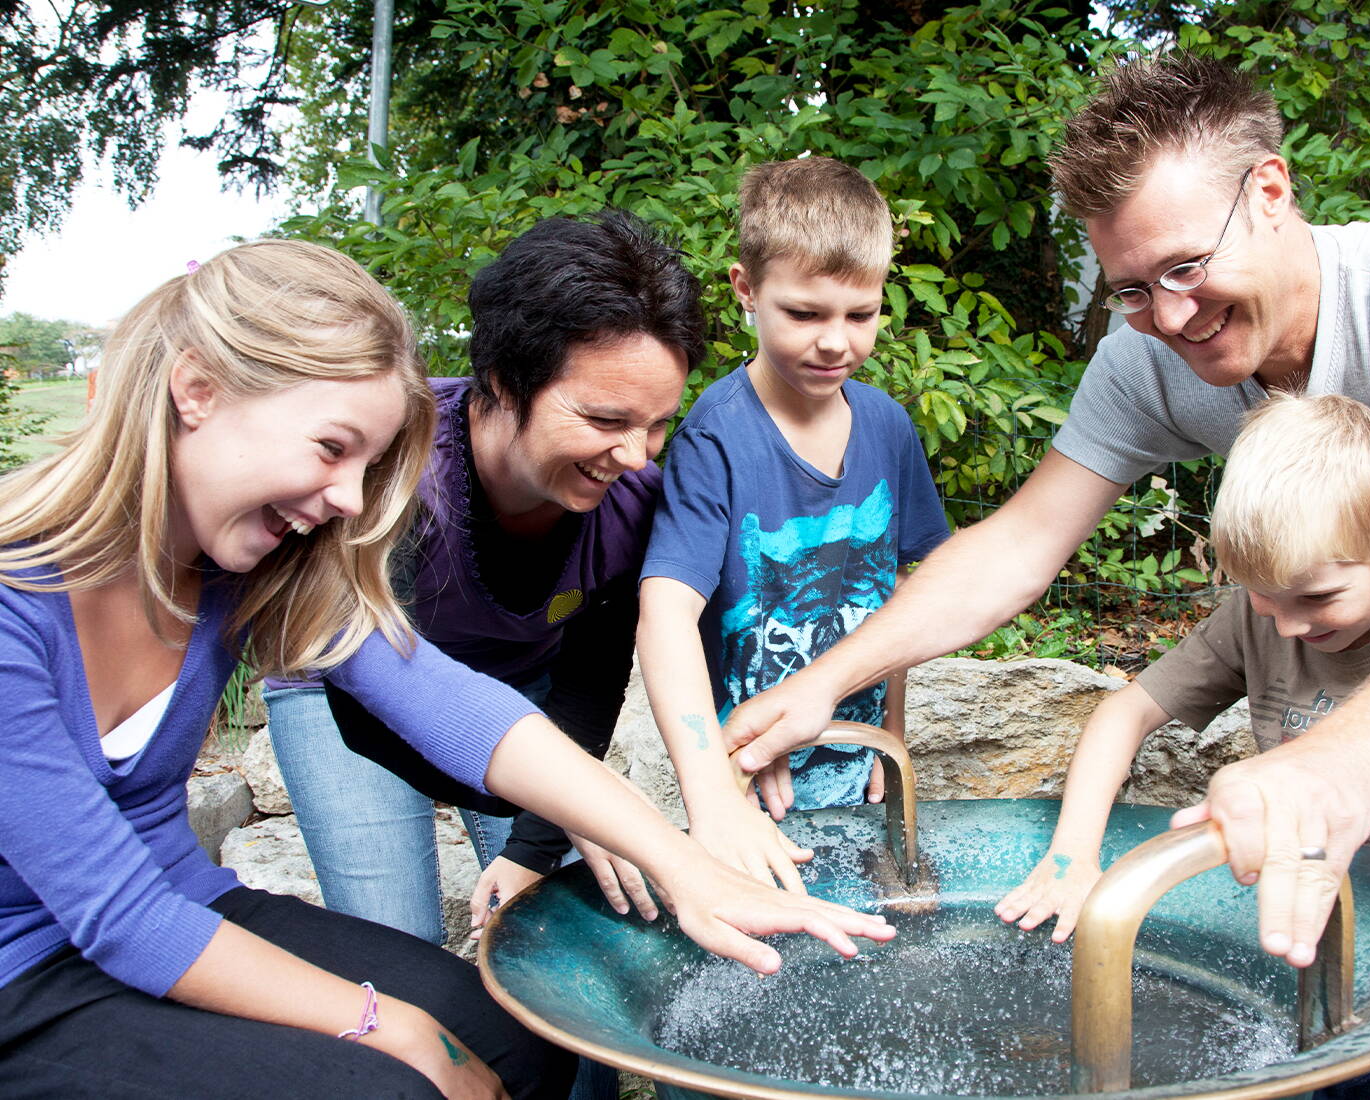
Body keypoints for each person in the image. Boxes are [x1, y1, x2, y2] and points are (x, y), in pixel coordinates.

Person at [719, 54, 1370, 1096]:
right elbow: (1020, 544)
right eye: (1129, 288)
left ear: (1269, 190)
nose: (1168, 317)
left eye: (1181, 268)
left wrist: (1332, 761)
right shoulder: (1150, 361)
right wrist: (821, 681)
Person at [0, 240, 893, 1099]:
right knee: (388, 1079)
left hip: (183, 904)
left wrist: (682, 863)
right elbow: (119, 917)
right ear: (195, 391)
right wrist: (392, 1027)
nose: (349, 502)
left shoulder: (238, 569)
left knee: (515, 1028)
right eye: (329, 448)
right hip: (27, 975)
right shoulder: (17, 606)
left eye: (366, 462)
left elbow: (449, 703)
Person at [996, 393, 1370, 1099]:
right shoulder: (1265, 616)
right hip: (1299, 928)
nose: (1287, 626)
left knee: (1322, 1055)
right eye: (1261, 596)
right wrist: (1070, 857)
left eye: (1317, 599)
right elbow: (1124, 714)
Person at [264, 213, 696, 956]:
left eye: (657, 424)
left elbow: (590, 678)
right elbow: (374, 711)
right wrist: (575, 805)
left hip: (522, 684)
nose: (633, 454)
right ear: (504, 379)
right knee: (393, 943)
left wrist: (535, 843)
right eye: (603, 418)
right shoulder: (391, 474)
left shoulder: (632, 505)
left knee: (571, 935)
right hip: (344, 688)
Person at [637, 157, 951, 890]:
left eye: (861, 314)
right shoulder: (715, 439)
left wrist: (891, 735)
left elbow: (908, 596)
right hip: (753, 785)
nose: (836, 341)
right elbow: (664, 612)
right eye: (805, 313)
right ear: (746, 290)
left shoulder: (888, 427)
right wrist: (713, 783)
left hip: (860, 761)